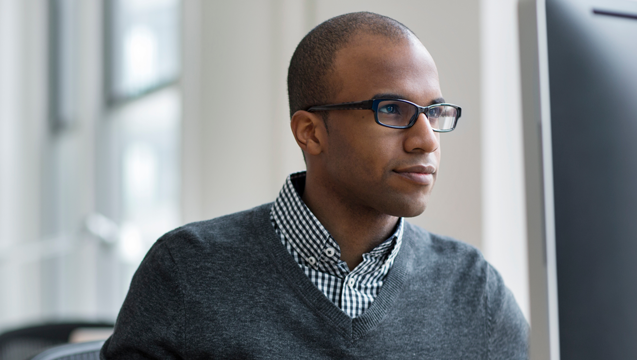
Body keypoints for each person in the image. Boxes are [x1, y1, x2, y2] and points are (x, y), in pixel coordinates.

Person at [101, 11, 528, 359]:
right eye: (393, 109)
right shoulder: (186, 271)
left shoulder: (473, 288)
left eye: (433, 112)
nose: (426, 139)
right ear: (310, 132)